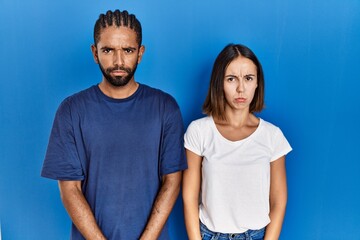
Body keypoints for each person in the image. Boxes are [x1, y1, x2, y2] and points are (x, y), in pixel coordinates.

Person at [41, 9, 187, 240]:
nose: (118, 61)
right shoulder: (71, 110)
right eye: (108, 50)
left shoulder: (165, 107)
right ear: (95, 53)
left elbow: (172, 181)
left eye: (127, 50)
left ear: (140, 53)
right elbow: (70, 189)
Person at [182, 44, 292, 240]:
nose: (241, 88)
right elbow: (189, 197)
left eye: (248, 78)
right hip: (210, 235)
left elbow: (278, 201)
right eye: (231, 79)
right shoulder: (199, 131)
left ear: (257, 83)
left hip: (256, 235)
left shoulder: (272, 136)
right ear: (219, 83)